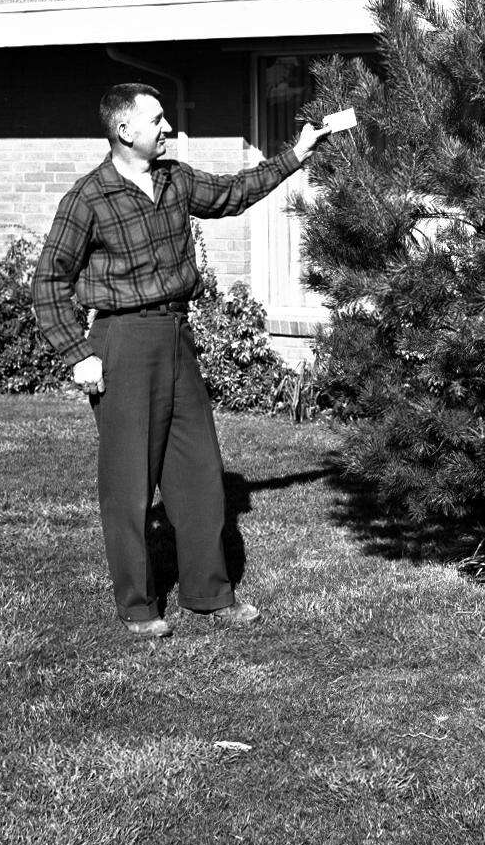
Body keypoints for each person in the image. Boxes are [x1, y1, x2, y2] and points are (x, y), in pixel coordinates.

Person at [32, 82, 327, 639]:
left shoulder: (174, 179)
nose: (168, 128)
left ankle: (209, 594)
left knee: (197, 469)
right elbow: (48, 281)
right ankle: (139, 606)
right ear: (125, 131)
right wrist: (77, 353)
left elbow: (234, 192)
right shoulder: (88, 198)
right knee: (129, 481)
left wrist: (296, 155)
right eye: (157, 120)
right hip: (121, 342)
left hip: (175, 335)